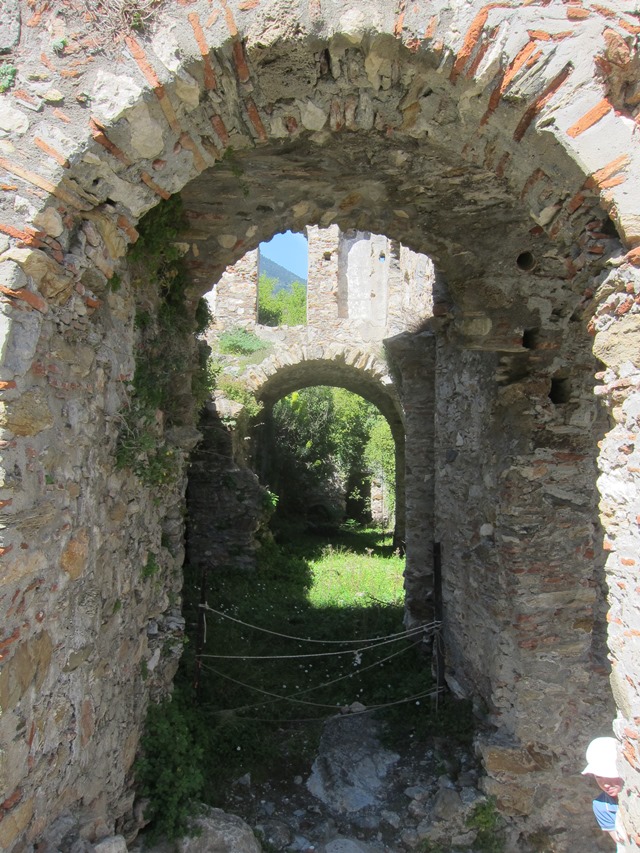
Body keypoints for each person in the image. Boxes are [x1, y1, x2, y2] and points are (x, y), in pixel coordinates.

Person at [582, 736, 628, 851]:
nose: (606, 784)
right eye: (599, 777)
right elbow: (624, 846)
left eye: (609, 775)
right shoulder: (602, 806)